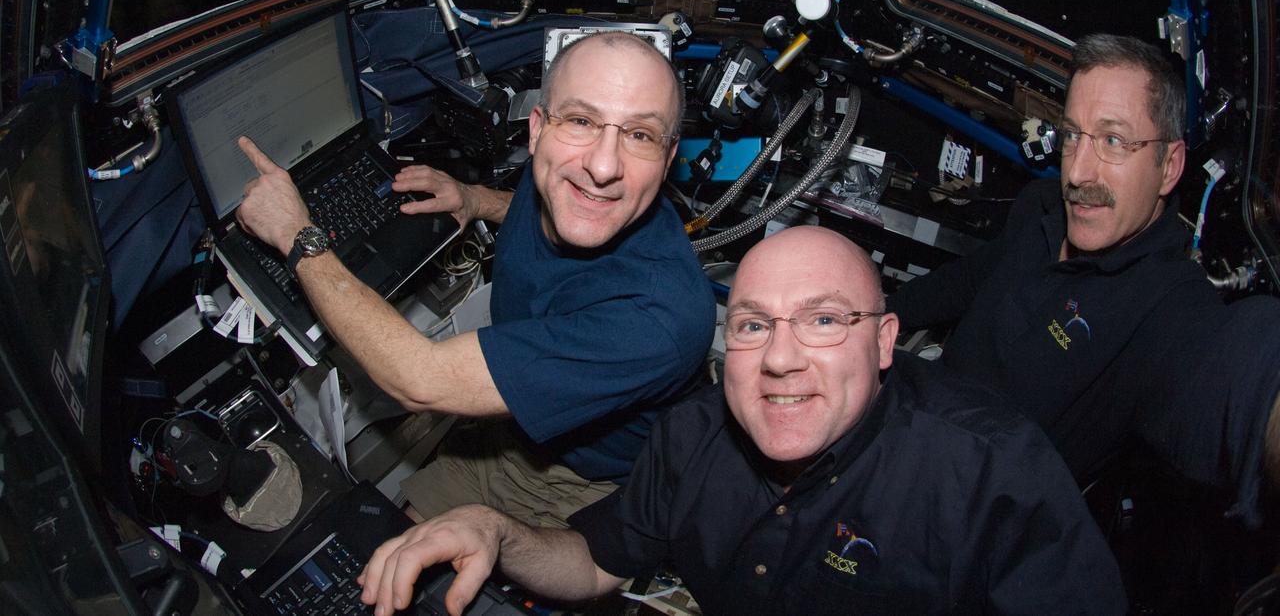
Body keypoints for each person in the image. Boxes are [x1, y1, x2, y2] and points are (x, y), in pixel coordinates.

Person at [357, 226, 1126, 616]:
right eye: (755, 326)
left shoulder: (994, 475)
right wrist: (497, 531)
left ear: (885, 341)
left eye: (823, 320)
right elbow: (597, 562)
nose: (781, 359)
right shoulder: (694, 436)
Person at [235, 31, 715, 526]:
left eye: (640, 135)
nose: (603, 165)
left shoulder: (659, 317)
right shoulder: (562, 174)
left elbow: (419, 381)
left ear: (669, 155)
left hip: (566, 476)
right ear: (537, 129)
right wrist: (474, 198)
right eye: (581, 119)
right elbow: (540, 207)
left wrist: (296, 235)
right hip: (517, 411)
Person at [887, 33, 1280, 528]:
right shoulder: (1042, 206)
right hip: (903, 433)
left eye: (1114, 140)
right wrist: (877, 318)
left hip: (957, 526)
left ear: (1169, 166)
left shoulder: (1166, 307)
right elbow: (971, 279)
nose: (1079, 171)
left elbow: (1245, 374)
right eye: (1074, 135)